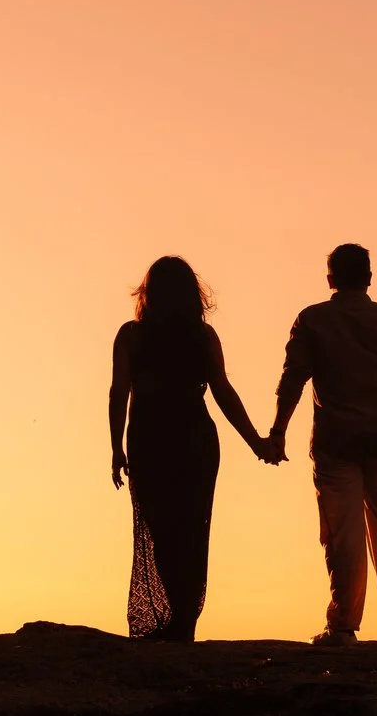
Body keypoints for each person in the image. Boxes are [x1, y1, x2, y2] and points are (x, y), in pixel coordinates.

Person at [264, 243, 377, 647]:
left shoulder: (313, 320)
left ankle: (343, 626)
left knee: (342, 535)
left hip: (335, 441)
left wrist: (278, 430)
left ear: (330, 279)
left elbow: (293, 378)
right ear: (369, 278)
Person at [109, 256, 272, 641]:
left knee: (163, 531)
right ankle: (184, 619)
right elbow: (223, 391)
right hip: (194, 438)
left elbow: (119, 392)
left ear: (148, 293)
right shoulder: (202, 337)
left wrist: (116, 448)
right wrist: (255, 442)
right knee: (190, 530)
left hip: (152, 438)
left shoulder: (132, 336)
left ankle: (180, 619)